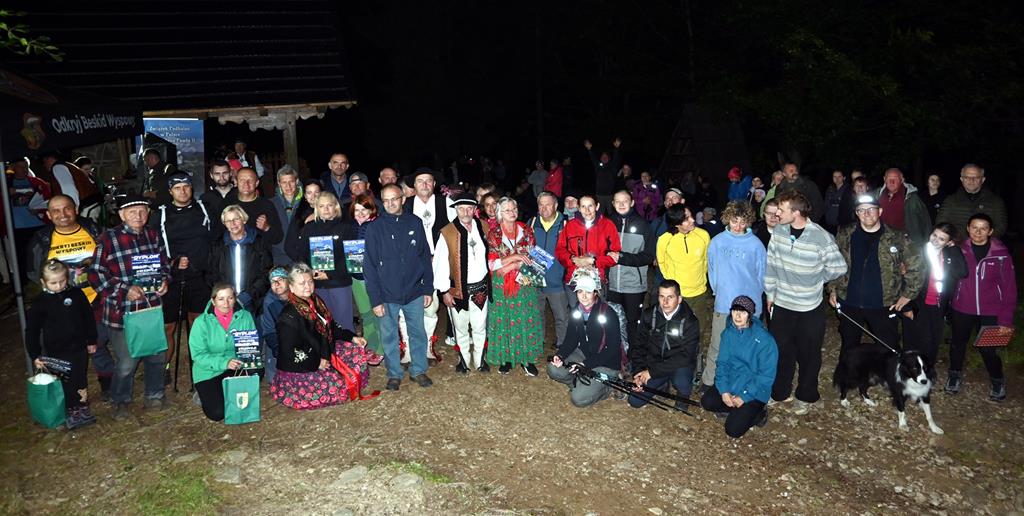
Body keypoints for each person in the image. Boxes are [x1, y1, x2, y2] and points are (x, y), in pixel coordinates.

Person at [764, 191, 847, 415]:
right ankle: (779, 392)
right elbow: (771, 264)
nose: (776, 214)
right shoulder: (779, 232)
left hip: (809, 307)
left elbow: (839, 267)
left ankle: (806, 395)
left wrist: (817, 278)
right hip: (782, 303)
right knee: (781, 351)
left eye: (781, 210)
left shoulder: (820, 236)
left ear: (796, 213)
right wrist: (770, 294)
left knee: (809, 354)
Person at [90, 194, 171, 420]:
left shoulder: (153, 235)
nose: (138, 216)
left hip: (150, 309)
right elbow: (95, 274)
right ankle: (121, 401)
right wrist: (124, 290)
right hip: (121, 312)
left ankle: (154, 395)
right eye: (132, 212)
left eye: (143, 211)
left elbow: (164, 265)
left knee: (156, 354)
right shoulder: (107, 239)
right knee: (127, 362)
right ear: (122, 215)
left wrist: (164, 281)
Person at [28, 195, 114, 398]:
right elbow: (33, 271)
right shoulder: (41, 240)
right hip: (62, 306)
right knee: (69, 346)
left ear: (75, 209)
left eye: (67, 208)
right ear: (49, 215)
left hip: (96, 298)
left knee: (97, 341)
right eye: (56, 211)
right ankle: (72, 391)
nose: (63, 214)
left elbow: (111, 258)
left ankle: (107, 379)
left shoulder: (94, 230)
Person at [828, 194, 922, 356]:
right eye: (861, 210)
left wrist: (908, 294)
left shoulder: (897, 237)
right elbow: (834, 263)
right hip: (849, 301)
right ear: (856, 213)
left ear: (880, 211)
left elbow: (917, 265)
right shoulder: (845, 234)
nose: (867, 214)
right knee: (849, 348)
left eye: (871, 209)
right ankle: (851, 373)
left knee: (889, 349)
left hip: (883, 304)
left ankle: (890, 372)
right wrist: (832, 288)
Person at [271, 263, 375, 409]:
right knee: (336, 388)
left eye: (310, 282)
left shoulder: (315, 301)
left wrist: (352, 337)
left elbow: (331, 326)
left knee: (356, 351)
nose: (307, 286)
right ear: (292, 287)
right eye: (302, 283)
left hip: (322, 350)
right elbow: (291, 351)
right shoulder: (288, 316)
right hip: (301, 366)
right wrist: (317, 362)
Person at [364, 184, 435, 391]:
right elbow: (369, 265)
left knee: (418, 333)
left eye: (394, 199)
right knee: (389, 336)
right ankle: (394, 373)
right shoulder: (375, 228)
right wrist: (375, 299)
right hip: (387, 294)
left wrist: (427, 288)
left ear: (403, 199)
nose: (390, 203)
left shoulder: (415, 222)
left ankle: (418, 370)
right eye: (385, 200)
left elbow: (424, 256)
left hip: (414, 291)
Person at [946, 213, 1017, 401]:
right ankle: (954, 375)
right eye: (974, 228)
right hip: (962, 307)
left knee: (988, 348)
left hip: (991, 310)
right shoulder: (959, 250)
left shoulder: (1001, 255)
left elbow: (1009, 288)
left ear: (991, 231)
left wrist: (1006, 319)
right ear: (968, 228)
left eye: (983, 228)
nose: (978, 232)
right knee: (957, 344)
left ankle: (997, 380)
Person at [151, 172, 214, 378]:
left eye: (186, 186)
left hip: (199, 277)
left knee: (197, 324)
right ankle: (163, 368)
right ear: (171, 191)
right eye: (177, 188)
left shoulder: (204, 209)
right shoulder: (160, 214)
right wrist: (171, 262)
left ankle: (200, 366)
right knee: (168, 327)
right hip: (171, 278)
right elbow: (152, 248)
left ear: (191, 188)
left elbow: (216, 239)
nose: (183, 191)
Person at [26, 259, 98, 429]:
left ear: (67, 278)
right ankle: (69, 410)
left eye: (62, 281)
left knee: (80, 378)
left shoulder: (76, 294)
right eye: (53, 283)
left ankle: (82, 407)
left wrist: (91, 340)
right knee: (64, 381)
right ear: (43, 282)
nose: (58, 286)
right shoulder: (40, 302)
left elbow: (88, 317)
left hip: (78, 347)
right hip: (56, 350)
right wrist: (35, 354)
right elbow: (32, 331)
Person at [705, 201, 766, 393]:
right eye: (734, 221)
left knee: (747, 348)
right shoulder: (717, 242)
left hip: (749, 305)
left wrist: (756, 299)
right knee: (718, 344)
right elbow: (712, 271)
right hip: (724, 303)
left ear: (749, 221)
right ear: (727, 219)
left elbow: (762, 274)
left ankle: (745, 385)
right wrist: (719, 291)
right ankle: (709, 382)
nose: (738, 226)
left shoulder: (756, 245)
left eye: (742, 222)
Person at [699, 295, 777, 438]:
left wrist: (744, 396)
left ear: (750, 315)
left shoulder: (765, 340)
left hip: (754, 389)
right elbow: (722, 363)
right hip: (733, 382)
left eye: (743, 312)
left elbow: (765, 376)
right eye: (735, 311)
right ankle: (736, 410)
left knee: (733, 430)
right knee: (707, 402)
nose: (738, 316)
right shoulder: (728, 333)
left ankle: (759, 413)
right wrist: (724, 390)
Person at [547, 270, 627, 407]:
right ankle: (580, 381)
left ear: (595, 293)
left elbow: (613, 349)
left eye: (588, 292)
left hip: (605, 362)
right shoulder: (576, 311)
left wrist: (585, 364)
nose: (583, 296)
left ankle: (609, 387)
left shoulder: (607, 313)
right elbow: (571, 339)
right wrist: (560, 356)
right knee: (553, 368)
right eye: (580, 291)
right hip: (585, 354)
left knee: (578, 399)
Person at [434, 193, 491, 373]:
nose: (465, 212)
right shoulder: (447, 232)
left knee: (480, 326)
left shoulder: (484, 227)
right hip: (458, 290)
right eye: (461, 208)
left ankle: (480, 360)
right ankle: (464, 360)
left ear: (475, 210)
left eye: (469, 208)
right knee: (460, 328)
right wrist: (444, 291)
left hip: (480, 288)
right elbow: (440, 264)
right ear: (456, 210)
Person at [486, 197, 543, 375]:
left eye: (514, 209)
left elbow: (536, 259)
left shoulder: (527, 230)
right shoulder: (494, 234)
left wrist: (515, 265)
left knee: (525, 318)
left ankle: (527, 359)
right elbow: (491, 264)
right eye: (507, 210)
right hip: (501, 284)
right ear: (500, 214)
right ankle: (507, 358)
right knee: (505, 320)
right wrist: (516, 257)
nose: (512, 212)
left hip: (524, 282)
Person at [402, 167, 455, 362]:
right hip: (411, 263)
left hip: (437, 262)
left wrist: (442, 257)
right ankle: (408, 350)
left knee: (430, 306)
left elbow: (455, 232)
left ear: (434, 184)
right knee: (408, 305)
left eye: (428, 180)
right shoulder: (405, 205)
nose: (424, 184)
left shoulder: (446, 203)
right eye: (420, 181)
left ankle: (427, 348)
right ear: (414, 186)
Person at [656, 203, 712, 377]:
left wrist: (700, 280)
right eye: (686, 219)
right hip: (678, 297)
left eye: (691, 215)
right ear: (676, 223)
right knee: (676, 332)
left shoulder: (703, 235)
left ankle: (696, 365)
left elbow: (706, 261)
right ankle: (675, 366)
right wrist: (674, 285)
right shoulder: (665, 240)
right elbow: (662, 263)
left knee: (699, 330)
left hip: (699, 293)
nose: (692, 220)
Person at [188, 283, 257, 421]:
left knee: (258, 371)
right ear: (213, 301)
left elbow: (249, 345)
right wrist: (225, 362)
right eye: (221, 299)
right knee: (218, 413)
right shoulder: (201, 322)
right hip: (208, 370)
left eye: (230, 298)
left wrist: (245, 360)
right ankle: (205, 394)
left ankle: (225, 392)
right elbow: (198, 355)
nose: (226, 303)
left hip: (235, 366)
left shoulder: (245, 317)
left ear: (235, 299)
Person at [628, 280, 700, 411]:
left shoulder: (690, 321)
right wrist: (638, 372)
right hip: (654, 363)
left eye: (670, 297)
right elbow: (639, 345)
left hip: (678, 366)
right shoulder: (649, 315)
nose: (665, 302)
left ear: (679, 299)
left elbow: (686, 356)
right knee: (634, 400)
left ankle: (683, 395)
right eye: (662, 296)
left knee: (682, 381)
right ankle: (661, 385)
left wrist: (652, 372)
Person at [295, 191, 355, 332]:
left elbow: (351, 258)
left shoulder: (346, 227)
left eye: (329, 205)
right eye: (322, 206)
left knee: (344, 324)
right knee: (324, 325)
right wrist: (310, 272)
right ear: (317, 208)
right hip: (316, 284)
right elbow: (301, 256)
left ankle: (348, 347)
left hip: (339, 282)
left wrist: (330, 274)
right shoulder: (309, 228)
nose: (326, 209)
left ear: (336, 206)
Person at [908, 222, 966, 364]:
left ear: (948, 242)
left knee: (934, 339)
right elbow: (906, 278)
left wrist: (954, 249)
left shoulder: (948, 254)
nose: (935, 240)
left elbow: (962, 272)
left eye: (941, 239)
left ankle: (928, 368)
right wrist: (907, 305)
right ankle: (912, 368)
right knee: (919, 340)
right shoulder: (918, 251)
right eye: (934, 235)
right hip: (918, 303)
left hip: (939, 304)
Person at [607, 190, 656, 347]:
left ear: (632, 202)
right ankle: (616, 354)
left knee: (632, 322)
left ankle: (633, 354)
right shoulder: (607, 224)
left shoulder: (643, 225)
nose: (621, 204)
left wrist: (622, 257)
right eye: (618, 201)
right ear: (613, 204)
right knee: (612, 321)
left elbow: (649, 256)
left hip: (634, 285)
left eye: (625, 201)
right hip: (612, 284)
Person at [208, 205, 272, 313]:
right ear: (224, 224)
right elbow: (212, 273)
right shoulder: (218, 245)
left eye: (236, 219)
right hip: (226, 303)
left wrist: (248, 295)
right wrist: (226, 296)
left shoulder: (258, 242)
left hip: (253, 301)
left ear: (244, 220)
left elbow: (266, 272)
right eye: (228, 221)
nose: (232, 224)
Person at [529, 191, 569, 347]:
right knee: (536, 314)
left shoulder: (565, 225)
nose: (544, 208)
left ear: (556, 205)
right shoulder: (532, 223)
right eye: (541, 204)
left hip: (556, 280)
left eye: (548, 204)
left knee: (561, 316)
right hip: (535, 279)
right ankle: (538, 341)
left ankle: (562, 344)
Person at [555, 194, 621, 286]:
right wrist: (573, 259)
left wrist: (593, 261)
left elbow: (615, 255)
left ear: (597, 206)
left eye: (590, 206)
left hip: (598, 280)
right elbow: (560, 250)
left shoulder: (608, 225)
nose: (587, 210)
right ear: (578, 208)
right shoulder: (570, 226)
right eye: (583, 206)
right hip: (573, 279)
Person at [347, 195, 384, 357]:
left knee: (378, 312)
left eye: (364, 209)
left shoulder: (377, 226)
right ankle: (370, 344)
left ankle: (381, 348)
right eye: (357, 210)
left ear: (371, 210)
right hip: (356, 277)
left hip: (373, 277)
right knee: (365, 314)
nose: (361, 213)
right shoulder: (350, 227)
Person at [6, 156, 49, 283]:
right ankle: (24, 283)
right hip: (16, 228)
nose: (24, 169)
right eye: (21, 166)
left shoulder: (38, 183)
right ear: (13, 168)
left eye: (26, 166)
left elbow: (48, 202)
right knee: (21, 257)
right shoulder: (5, 183)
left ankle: (44, 279)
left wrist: (39, 210)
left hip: (38, 225)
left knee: (41, 255)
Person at [936, 164, 1008, 238]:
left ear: (983, 180)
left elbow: (1001, 227)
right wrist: (955, 240)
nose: (971, 180)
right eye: (967, 177)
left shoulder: (996, 202)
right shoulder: (950, 200)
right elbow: (941, 224)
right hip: (957, 243)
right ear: (961, 179)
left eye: (976, 177)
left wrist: (981, 240)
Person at [876, 168, 931, 245]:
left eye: (895, 179)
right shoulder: (877, 195)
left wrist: (927, 241)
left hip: (905, 242)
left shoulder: (912, 198)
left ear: (902, 180)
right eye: (889, 179)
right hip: (882, 239)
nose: (892, 182)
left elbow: (925, 221)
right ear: (884, 179)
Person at [229, 167, 283, 245]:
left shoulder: (267, 205)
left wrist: (266, 228)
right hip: (233, 250)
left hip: (260, 252)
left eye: (250, 180)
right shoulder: (227, 203)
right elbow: (218, 235)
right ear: (236, 182)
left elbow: (278, 238)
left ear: (256, 183)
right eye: (242, 180)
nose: (246, 184)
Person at [259, 268, 291, 384]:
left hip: (300, 340)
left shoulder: (299, 294)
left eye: (281, 279)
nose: (277, 284)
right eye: (273, 281)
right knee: (274, 379)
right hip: (280, 340)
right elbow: (269, 331)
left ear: (289, 280)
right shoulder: (269, 301)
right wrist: (279, 352)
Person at [270, 164, 303, 266]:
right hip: (279, 258)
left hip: (301, 257)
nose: (288, 186)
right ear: (279, 183)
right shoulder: (271, 204)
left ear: (296, 181)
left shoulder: (306, 203)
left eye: (291, 182)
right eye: (284, 182)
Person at [285, 180, 322, 263]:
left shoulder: (330, 212)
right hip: (307, 263)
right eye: (309, 193)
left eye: (316, 192)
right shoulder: (299, 214)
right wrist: (303, 263)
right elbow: (289, 246)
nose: (313, 196)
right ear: (305, 196)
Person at [585, 137, 622, 214]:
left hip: (610, 195)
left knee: (611, 214)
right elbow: (593, 159)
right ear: (600, 158)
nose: (604, 158)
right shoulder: (598, 167)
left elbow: (616, 159)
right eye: (603, 156)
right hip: (599, 195)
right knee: (599, 214)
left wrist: (616, 148)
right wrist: (589, 149)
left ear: (609, 158)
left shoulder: (612, 167)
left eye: (606, 156)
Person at [200, 160, 236, 238]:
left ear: (230, 173)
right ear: (211, 175)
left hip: (239, 240)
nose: (221, 177)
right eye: (217, 174)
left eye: (225, 173)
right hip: (214, 242)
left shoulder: (239, 194)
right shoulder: (205, 198)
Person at [824, 169, 848, 234]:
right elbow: (826, 204)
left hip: (842, 224)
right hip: (830, 223)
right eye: (834, 176)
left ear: (844, 178)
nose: (837, 179)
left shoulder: (848, 189)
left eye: (839, 176)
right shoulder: (830, 189)